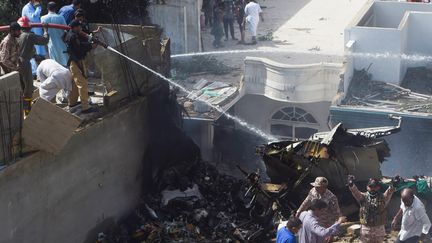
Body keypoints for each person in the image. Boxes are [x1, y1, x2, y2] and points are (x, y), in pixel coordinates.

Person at [63, 20, 98, 114]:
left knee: (75, 84)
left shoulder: (70, 34)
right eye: (79, 27)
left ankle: (72, 103)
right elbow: (79, 47)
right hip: (76, 62)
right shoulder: (73, 36)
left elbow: (78, 44)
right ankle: (85, 107)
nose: (81, 28)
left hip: (74, 62)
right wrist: (91, 46)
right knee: (83, 84)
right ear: (75, 27)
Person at [17, 16, 49, 114]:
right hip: (24, 63)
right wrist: (45, 30)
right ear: (29, 27)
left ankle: (23, 110)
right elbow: (45, 40)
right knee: (28, 88)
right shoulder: (29, 36)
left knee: (21, 87)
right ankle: (27, 112)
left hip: (16, 63)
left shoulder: (18, 35)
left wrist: (34, 55)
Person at [348, 177, 395, 243]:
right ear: (367, 187)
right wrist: (351, 185)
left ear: (378, 187)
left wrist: (393, 185)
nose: (372, 189)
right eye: (371, 187)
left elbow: (389, 192)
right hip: (366, 230)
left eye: (375, 187)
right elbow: (355, 192)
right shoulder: (363, 197)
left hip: (379, 230)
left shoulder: (383, 198)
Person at [22, 0, 45, 76]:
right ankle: (34, 73)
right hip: (30, 35)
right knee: (33, 53)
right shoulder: (27, 8)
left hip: (37, 33)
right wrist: (38, 8)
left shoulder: (34, 7)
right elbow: (34, 18)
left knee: (39, 54)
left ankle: (40, 72)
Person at [41, 2, 69, 67]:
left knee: (54, 64)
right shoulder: (60, 17)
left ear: (47, 8)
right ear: (55, 8)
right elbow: (66, 29)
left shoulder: (43, 18)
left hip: (51, 43)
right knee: (64, 63)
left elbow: (44, 30)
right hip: (61, 43)